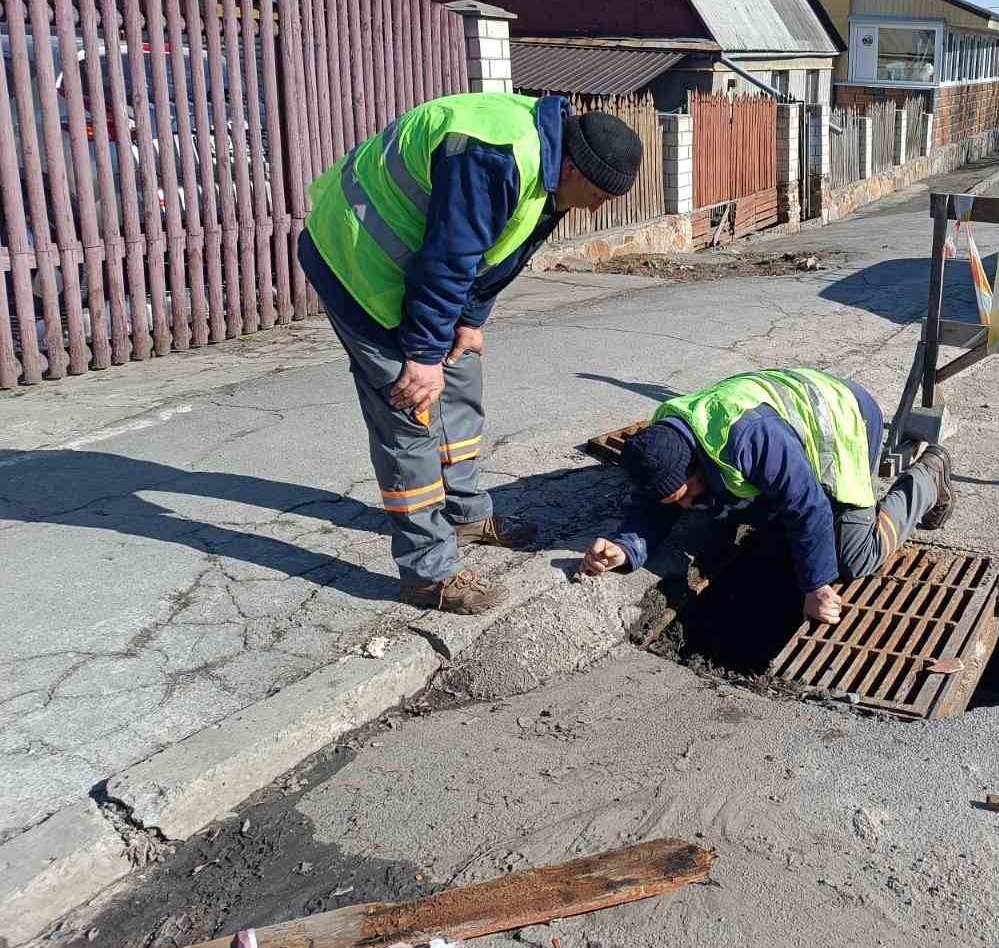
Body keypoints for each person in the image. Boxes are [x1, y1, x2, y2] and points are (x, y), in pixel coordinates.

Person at [299, 92, 642, 614]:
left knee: (461, 381)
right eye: (595, 193)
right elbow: (447, 259)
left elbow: (504, 249)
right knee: (409, 410)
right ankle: (426, 572)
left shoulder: (548, 168)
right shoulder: (493, 155)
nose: (596, 208)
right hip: (357, 262)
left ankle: (462, 512)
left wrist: (469, 321)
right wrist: (422, 354)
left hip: (415, 275)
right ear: (572, 164)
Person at [579, 367, 955, 623]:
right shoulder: (664, 445)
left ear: (696, 462)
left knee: (855, 556)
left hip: (845, 419)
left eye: (685, 492)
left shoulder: (750, 438)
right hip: (791, 415)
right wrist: (625, 547)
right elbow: (654, 500)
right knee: (748, 518)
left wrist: (816, 586)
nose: (683, 504)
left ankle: (927, 477)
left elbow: (808, 506)